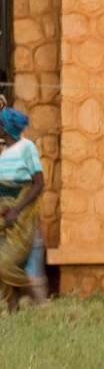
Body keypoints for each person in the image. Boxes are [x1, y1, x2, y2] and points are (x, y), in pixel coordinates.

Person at [0, 108, 43, 311]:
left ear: (5, 128)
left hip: (22, 217)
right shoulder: (3, 152)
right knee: (9, 265)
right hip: (5, 217)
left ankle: (36, 299)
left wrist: (16, 209)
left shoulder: (27, 148)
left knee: (6, 263)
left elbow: (38, 183)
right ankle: (13, 309)